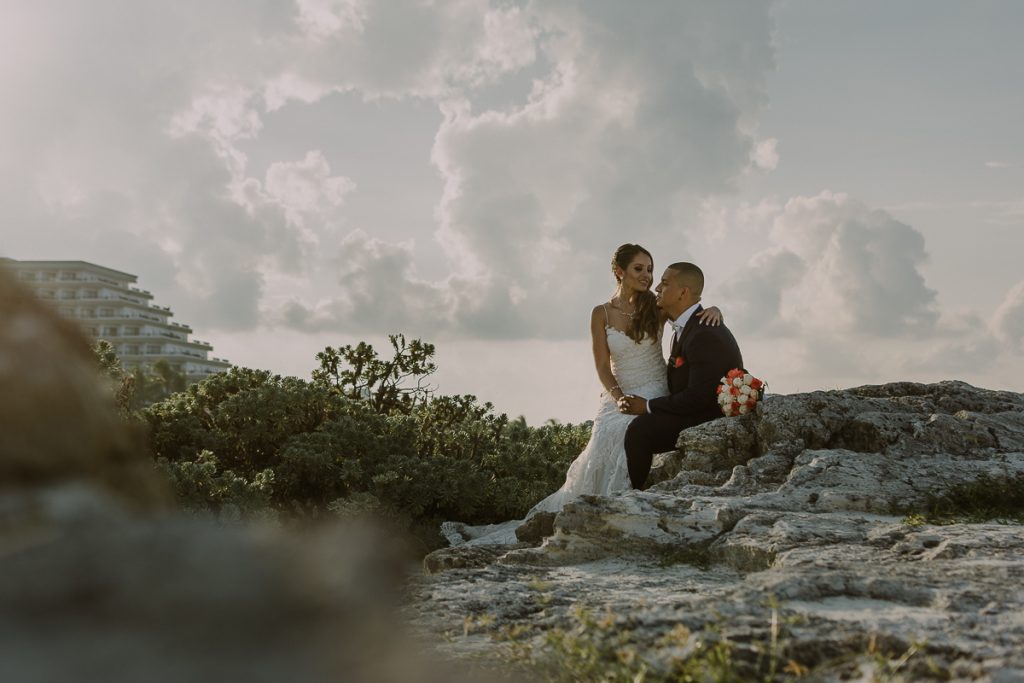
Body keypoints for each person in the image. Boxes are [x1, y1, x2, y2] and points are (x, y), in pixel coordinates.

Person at [440, 245, 722, 546]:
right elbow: (602, 366)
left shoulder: (657, 306)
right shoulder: (600, 313)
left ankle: (624, 509)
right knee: (607, 433)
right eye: (639, 269)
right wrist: (618, 397)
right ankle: (587, 515)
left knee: (630, 431)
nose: (647, 276)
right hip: (618, 395)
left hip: (654, 390)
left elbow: (689, 312)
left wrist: (715, 310)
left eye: (650, 269)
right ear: (620, 271)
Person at [618, 262, 743, 490]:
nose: (657, 287)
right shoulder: (688, 324)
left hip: (707, 415)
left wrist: (647, 406)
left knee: (640, 430)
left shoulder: (704, 333)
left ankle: (636, 494)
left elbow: (698, 397)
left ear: (683, 293)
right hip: (694, 407)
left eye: (665, 284)